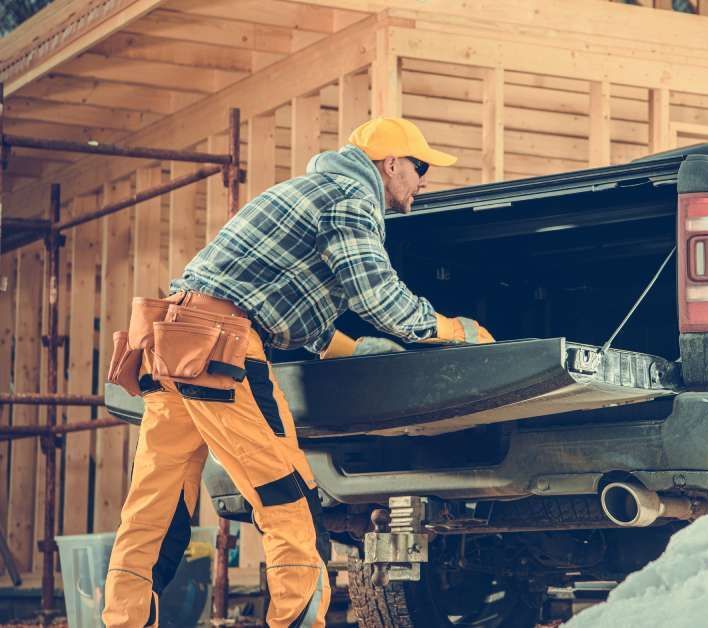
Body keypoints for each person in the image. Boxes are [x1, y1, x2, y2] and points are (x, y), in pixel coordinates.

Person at [102, 117, 492, 627]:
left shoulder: (306, 191)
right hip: (221, 350)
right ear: (390, 164)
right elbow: (378, 296)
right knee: (289, 498)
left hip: (172, 343)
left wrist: (352, 349)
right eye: (420, 168)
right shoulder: (350, 197)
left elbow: (285, 304)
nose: (424, 181)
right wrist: (456, 331)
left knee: (155, 504)